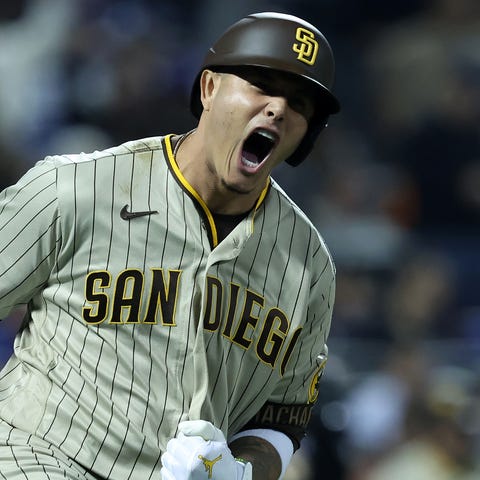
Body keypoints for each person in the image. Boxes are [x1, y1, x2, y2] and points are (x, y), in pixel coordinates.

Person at [0, 11, 340, 480]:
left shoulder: (309, 267)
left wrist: (240, 474)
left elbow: (280, 419)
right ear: (208, 90)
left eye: (299, 102)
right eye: (261, 84)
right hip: (37, 458)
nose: (279, 109)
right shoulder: (74, 189)